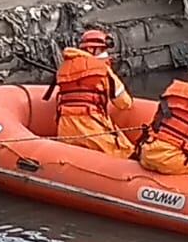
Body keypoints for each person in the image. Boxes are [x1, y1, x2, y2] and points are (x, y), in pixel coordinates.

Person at [54, 29, 135, 158]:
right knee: (126, 153)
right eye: (102, 50)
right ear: (92, 49)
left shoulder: (64, 69)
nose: (105, 54)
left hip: (65, 129)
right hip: (91, 127)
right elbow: (124, 103)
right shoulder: (102, 69)